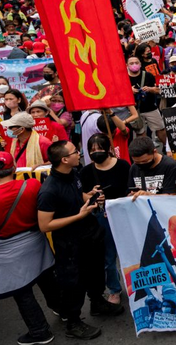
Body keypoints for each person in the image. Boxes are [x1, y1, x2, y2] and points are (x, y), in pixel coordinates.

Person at [38, 141, 124, 340]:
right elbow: (45, 225)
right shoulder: (49, 190)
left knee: (95, 272)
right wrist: (79, 215)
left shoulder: (73, 174)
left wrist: (91, 197)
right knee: (73, 283)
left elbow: (79, 195)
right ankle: (73, 323)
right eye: (75, 151)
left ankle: (97, 302)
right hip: (69, 244)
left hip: (89, 235)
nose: (80, 153)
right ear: (64, 159)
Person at [0, 152, 56, 345]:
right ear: (14, 168)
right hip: (35, 240)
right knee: (47, 277)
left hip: (7, 249)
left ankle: (40, 331)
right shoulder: (31, 185)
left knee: (22, 291)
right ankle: (63, 309)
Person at [79, 134, 131, 305]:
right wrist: (93, 196)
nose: (96, 153)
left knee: (131, 253)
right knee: (108, 258)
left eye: (100, 149)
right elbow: (84, 195)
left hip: (124, 215)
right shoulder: (86, 171)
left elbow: (130, 191)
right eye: (92, 150)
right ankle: (114, 289)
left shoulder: (123, 166)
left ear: (109, 149)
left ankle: (138, 286)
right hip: (102, 219)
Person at [127, 56, 167, 148]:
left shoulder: (148, 75)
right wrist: (129, 91)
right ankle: (147, 150)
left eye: (136, 63)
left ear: (140, 64)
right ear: (127, 65)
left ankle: (168, 147)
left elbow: (158, 90)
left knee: (161, 129)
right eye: (131, 63)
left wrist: (150, 89)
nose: (134, 65)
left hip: (150, 108)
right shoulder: (124, 78)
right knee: (140, 133)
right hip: (134, 111)